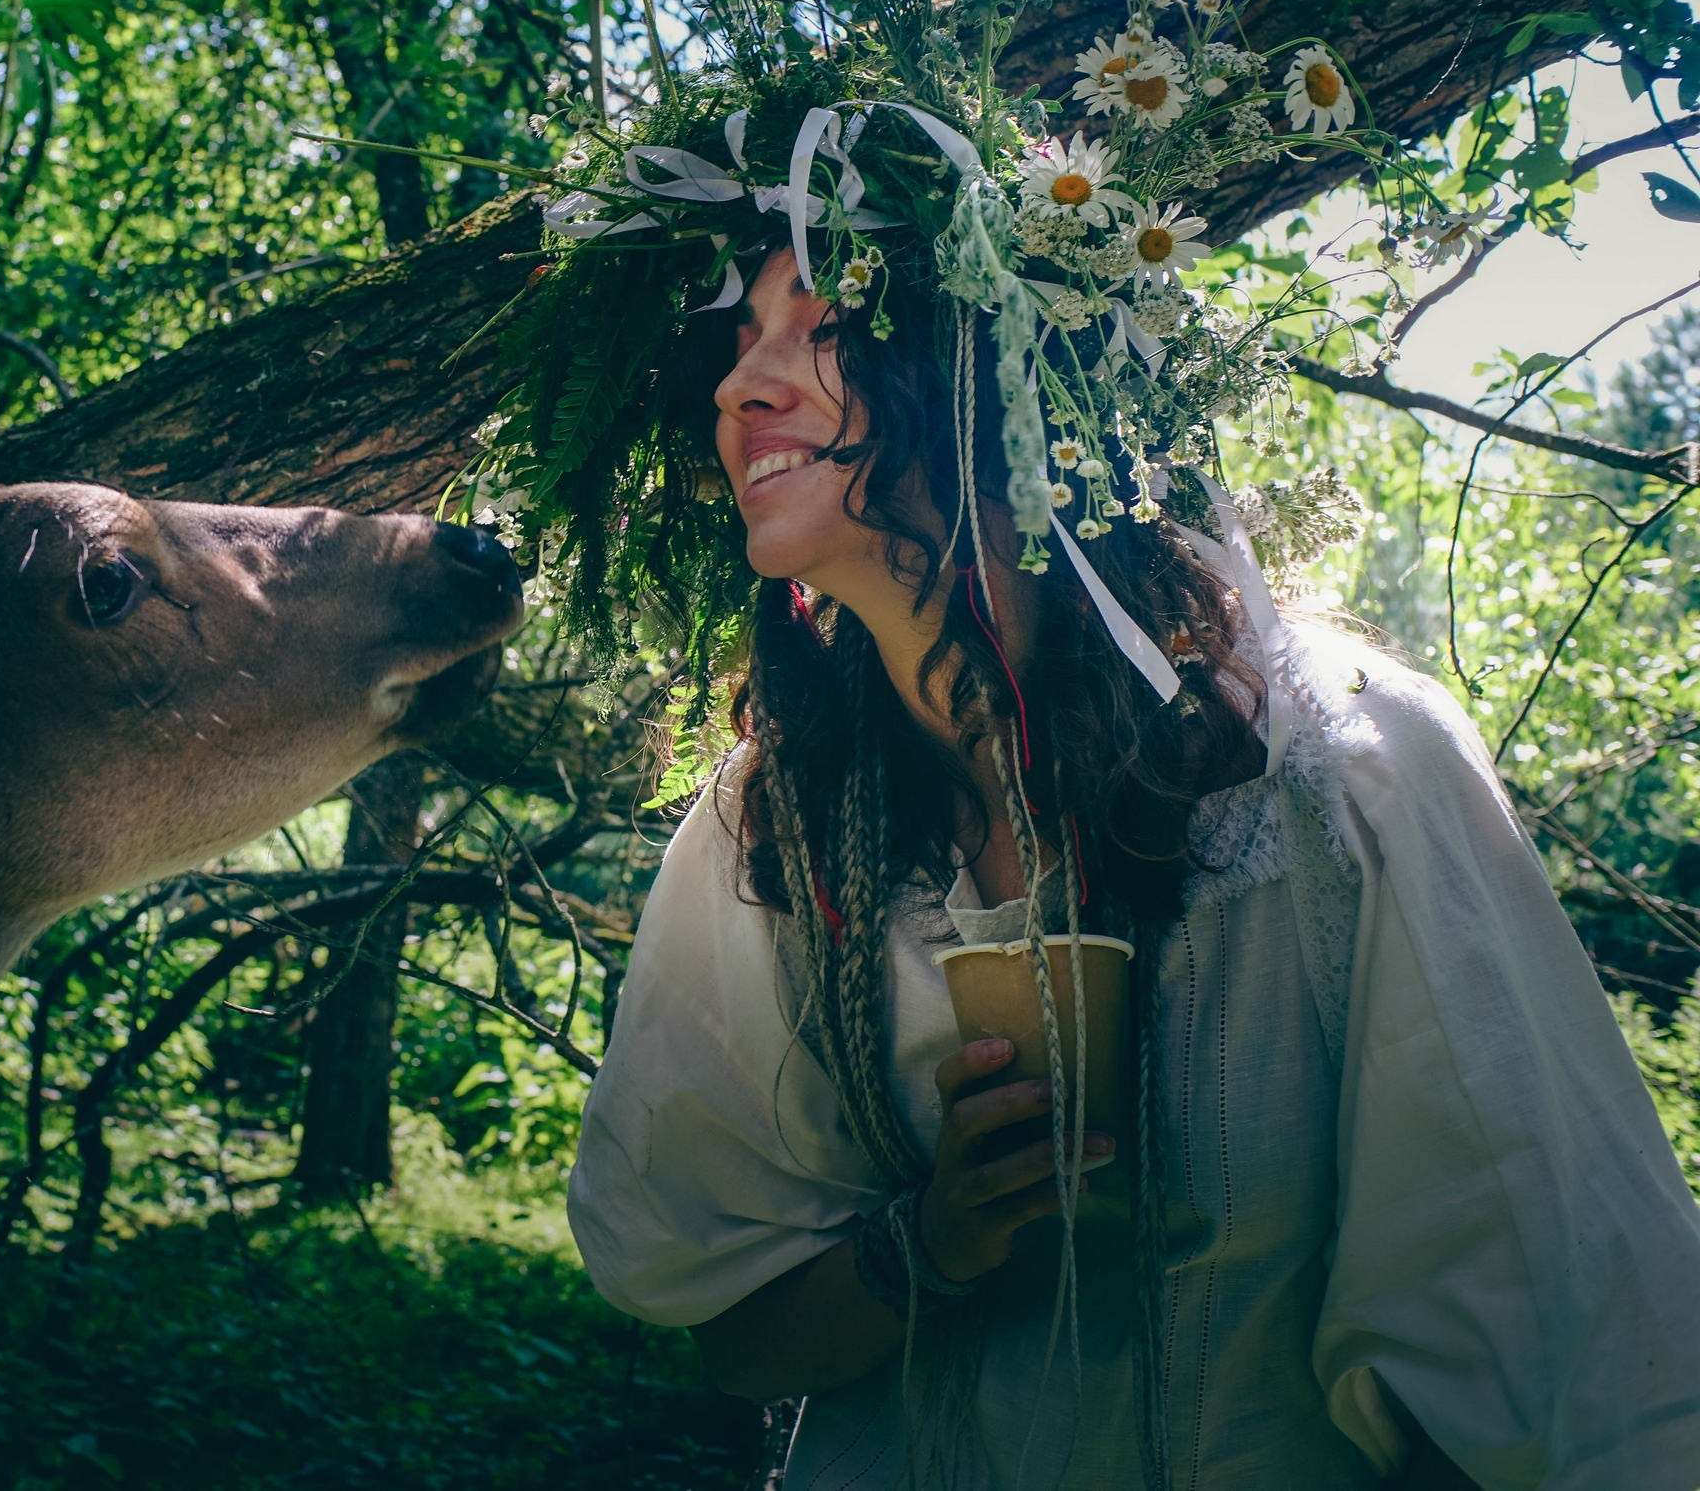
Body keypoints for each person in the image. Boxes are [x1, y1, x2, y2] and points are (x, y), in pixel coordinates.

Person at [558, 237, 1700, 1488]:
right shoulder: (771, 836)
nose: (742, 387)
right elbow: (739, 1333)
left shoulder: (1335, 769)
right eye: (735, 348)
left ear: (997, 371)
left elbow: (1561, 1337)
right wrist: (926, 1246)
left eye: (825, 325)